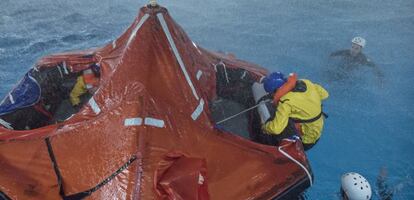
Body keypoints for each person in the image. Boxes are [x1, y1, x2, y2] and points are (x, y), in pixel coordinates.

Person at [261, 72, 329, 151]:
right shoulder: (306, 83)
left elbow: (276, 129)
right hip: (317, 130)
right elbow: (325, 94)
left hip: (306, 140)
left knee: (272, 124)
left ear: (276, 90)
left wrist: (264, 127)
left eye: (271, 94)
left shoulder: (286, 101)